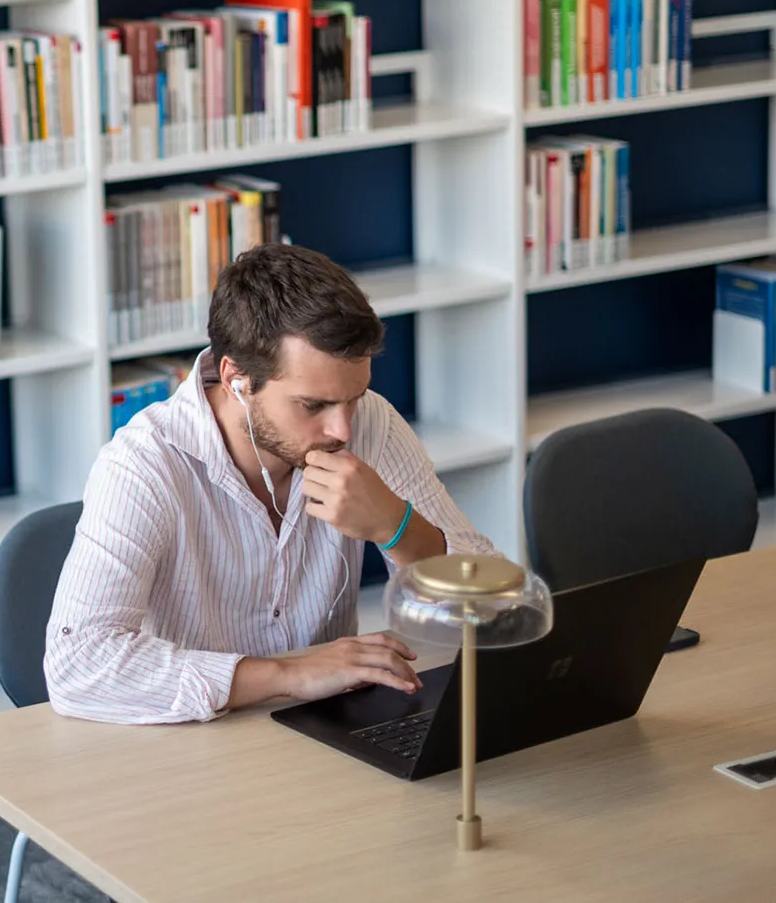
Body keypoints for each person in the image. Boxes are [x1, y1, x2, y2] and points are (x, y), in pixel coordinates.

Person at [45, 243, 496, 724]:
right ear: (236, 379)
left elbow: (493, 606)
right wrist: (290, 674)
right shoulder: (143, 466)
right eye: (313, 405)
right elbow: (77, 665)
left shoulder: (373, 426)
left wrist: (398, 527)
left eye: (355, 397)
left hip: (326, 729)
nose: (343, 430)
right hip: (189, 741)